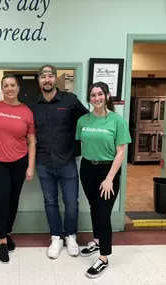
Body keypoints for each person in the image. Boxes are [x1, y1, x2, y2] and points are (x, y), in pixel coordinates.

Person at [30, 64, 88, 259]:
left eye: (50, 76)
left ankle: (71, 235)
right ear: (38, 81)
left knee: (72, 202)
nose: (47, 79)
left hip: (67, 162)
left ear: (56, 79)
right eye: (43, 76)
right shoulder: (32, 105)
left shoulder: (70, 100)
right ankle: (56, 235)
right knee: (50, 201)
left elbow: (87, 120)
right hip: (44, 162)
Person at [76, 81, 131, 279]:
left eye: (100, 94)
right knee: (94, 207)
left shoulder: (117, 121)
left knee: (103, 213)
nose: (96, 98)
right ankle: (97, 240)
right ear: (89, 99)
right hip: (87, 168)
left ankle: (104, 258)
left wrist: (109, 178)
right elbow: (79, 145)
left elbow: (121, 152)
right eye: (93, 95)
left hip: (108, 171)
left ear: (107, 96)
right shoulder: (83, 120)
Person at [0, 74, 36, 263]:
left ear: (18, 88)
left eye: (12, 85)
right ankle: (2, 241)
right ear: (2, 88)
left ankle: (7, 232)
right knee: (0, 201)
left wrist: (30, 166)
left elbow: (32, 141)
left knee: (13, 200)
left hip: (19, 162)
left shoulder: (26, 112)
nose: (9, 88)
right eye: (6, 85)